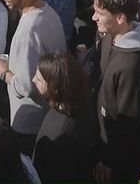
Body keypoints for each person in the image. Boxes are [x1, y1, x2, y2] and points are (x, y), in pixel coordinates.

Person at [0, 0, 67, 153]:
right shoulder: (49, 13)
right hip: (47, 116)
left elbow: (27, 87)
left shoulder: (28, 30)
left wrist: (3, 72)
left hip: (28, 123)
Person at [89, 0, 140, 182]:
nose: (94, 17)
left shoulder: (132, 63)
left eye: (100, 13)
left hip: (122, 159)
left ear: (120, 18)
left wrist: (109, 160)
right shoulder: (109, 36)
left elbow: (129, 120)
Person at [30, 51, 97, 183]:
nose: (33, 80)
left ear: (54, 88)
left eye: (39, 79)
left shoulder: (62, 132)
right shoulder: (80, 102)